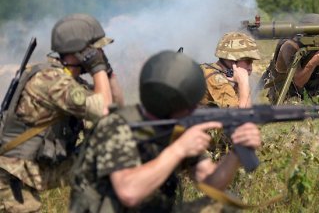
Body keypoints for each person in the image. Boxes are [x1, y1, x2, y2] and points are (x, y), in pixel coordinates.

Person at [69, 50, 262, 212]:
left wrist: (237, 151)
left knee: (224, 205)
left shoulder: (176, 129)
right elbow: (129, 192)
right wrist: (178, 149)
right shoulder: (117, 126)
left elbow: (212, 182)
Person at [0, 13, 123, 213]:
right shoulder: (51, 80)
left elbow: (116, 108)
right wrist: (97, 68)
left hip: (30, 168)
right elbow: (103, 109)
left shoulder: (67, 81)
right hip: (10, 176)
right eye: (96, 49)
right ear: (79, 51)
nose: (101, 53)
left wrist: (107, 72)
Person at [265, 13, 319, 104]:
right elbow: (298, 82)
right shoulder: (289, 47)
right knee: (298, 109)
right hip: (285, 94)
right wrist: (312, 63)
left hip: (309, 92)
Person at [200, 32, 261, 108]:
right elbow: (242, 116)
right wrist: (243, 84)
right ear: (233, 60)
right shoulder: (216, 79)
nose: (250, 68)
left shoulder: (213, 70)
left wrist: (238, 86)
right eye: (248, 62)